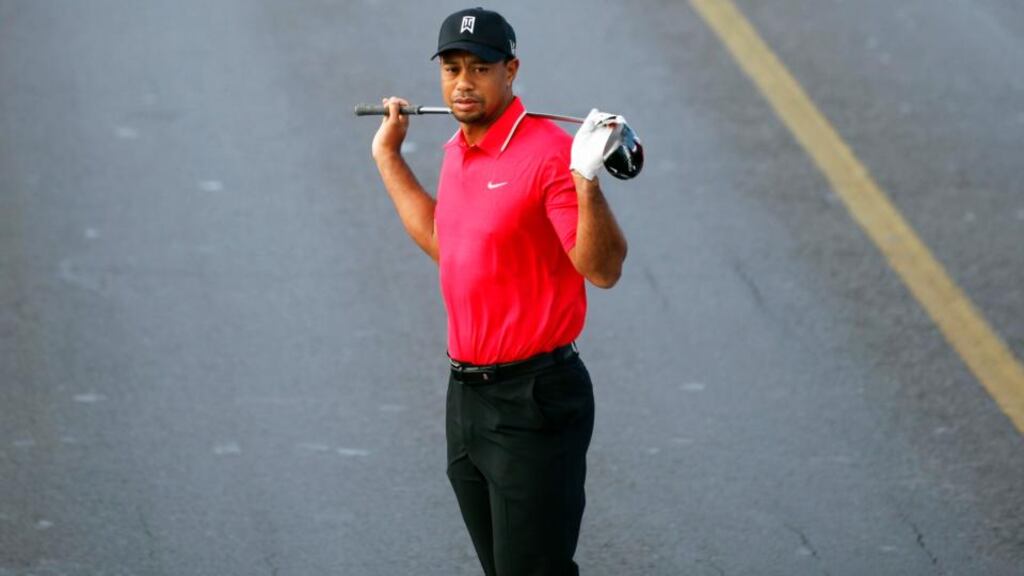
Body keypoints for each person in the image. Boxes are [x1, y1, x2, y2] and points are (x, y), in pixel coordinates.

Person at [369, 7, 629, 576]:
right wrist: (388, 157)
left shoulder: (549, 156)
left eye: (480, 68)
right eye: (452, 68)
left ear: (510, 70)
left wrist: (586, 179)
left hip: (533, 400)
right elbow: (450, 243)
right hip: (466, 400)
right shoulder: (458, 151)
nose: (463, 82)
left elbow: (602, 269)